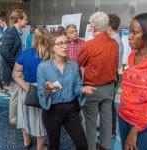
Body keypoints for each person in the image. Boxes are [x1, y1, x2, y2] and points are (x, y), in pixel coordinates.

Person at [37, 31, 94, 150]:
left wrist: (82, 89)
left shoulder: (73, 65)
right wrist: (47, 88)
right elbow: (41, 93)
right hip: (52, 111)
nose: (65, 46)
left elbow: (76, 87)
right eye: (60, 43)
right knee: (54, 146)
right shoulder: (43, 67)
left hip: (71, 110)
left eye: (66, 43)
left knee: (83, 145)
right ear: (52, 47)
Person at [118, 13, 147, 150]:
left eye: (135, 33)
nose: (129, 36)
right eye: (130, 31)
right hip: (123, 116)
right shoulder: (131, 56)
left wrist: (135, 130)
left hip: (143, 123)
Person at [77, 12, 118, 150]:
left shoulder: (89, 45)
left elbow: (79, 63)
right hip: (109, 88)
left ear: (93, 26)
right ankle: (105, 146)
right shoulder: (114, 44)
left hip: (92, 88)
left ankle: (91, 147)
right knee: (107, 120)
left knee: (90, 122)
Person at [12, 28, 49, 150]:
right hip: (45, 91)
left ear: (34, 39)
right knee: (41, 122)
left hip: (26, 90)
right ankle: (40, 148)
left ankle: (26, 143)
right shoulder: (51, 55)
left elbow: (16, 75)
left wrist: (28, 89)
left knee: (24, 118)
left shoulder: (25, 53)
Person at [0, 9, 28, 127]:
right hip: (14, 69)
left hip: (19, 68)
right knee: (15, 94)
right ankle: (13, 120)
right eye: (25, 19)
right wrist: (15, 64)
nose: (27, 21)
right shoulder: (11, 32)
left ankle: (17, 117)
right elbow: (4, 51)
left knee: (17, 93)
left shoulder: (19, 32)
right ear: (19, 19)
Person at [107, 13, 124, 138]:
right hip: (114, 73)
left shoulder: (114, 41)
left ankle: (111, 130)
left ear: (108, 27)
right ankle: (109, 127)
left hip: (112, 74)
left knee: (109, 103)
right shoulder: (116, 39)